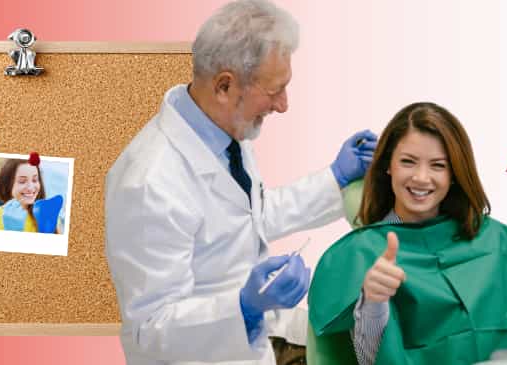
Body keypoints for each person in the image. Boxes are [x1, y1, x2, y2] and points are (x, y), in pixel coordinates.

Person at [103, 1, 377, 364]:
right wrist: (244, 307)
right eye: (275, 90)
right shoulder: (147, 183)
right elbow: (149, 333)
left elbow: (248, 217)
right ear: (224, 86)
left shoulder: (224, 134)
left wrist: (335, 177)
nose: (283, 105)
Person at [307, 102, 507, 364]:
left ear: (454, 173)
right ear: (388, 165)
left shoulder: (494, 239)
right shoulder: (362, 253)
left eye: (438, 165)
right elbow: (369, 360)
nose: (422, 178)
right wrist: (372, 303)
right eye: (408, 162)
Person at [0, 157, 64, 234]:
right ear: (7, 185)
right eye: (22, 181)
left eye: (35, 180)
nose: (31, 188)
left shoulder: (47, 211)